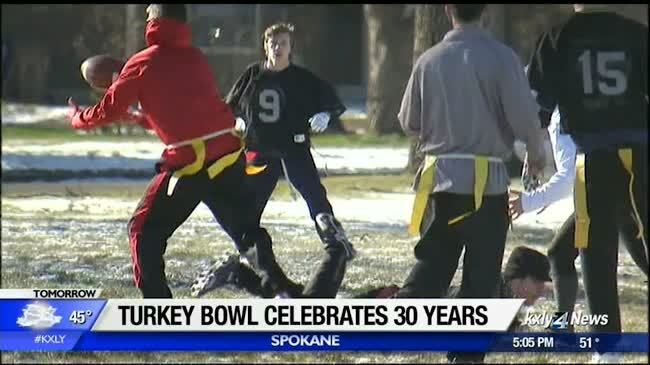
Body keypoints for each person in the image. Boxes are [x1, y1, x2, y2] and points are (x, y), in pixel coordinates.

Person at [67, 4, 293, 298]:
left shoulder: (142, 62)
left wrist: (78, 118)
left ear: (157, 19)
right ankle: (282, 291)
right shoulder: (195, 57)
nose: (146, 16)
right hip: (227, 153)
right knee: (246, 230)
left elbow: (109, 109)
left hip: (192, 164)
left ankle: (159, 311)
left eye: (149, 12)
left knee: (143, 231)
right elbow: (187, 115)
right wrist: (139, 116)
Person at [394, 3, 546, 304]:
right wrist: (535, 151)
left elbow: (408, 121)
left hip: (440, 182)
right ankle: (465, 350)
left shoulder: (428, 60)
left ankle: (402, 318)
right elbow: (523, 117)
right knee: (481, 274)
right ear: (486, 11)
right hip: (486, 186)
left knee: (433, 263)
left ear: (449, 10)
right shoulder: (502, 58)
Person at [191, 22, 356, 299]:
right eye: (273, 43)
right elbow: (230, 105)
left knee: (314, 195)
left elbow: (331, 101)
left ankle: (333, 237)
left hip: (293, 148)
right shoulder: (252, 75)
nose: (277, 48)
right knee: (247, 210)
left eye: (283, 43)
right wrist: (238, 120)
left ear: (291, 48)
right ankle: (250, 254)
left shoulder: (301, 77)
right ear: (264, 45)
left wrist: (326, 115)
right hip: (260, 149)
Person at [527, 4, 648, 362]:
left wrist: (535, 150)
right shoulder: (635, 32)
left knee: (594, 249)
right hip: (641, 154)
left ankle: (607, 347)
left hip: (593, 155)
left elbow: (538, 102)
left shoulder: (559, 37)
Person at [200, 245, 551, 364]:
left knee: (307, 312)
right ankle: (333, 253)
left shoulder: (503, 302)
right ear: (520, 279)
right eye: (538, 284)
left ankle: (241, 275)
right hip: (389, 310)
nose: (539, 292)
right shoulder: (490, 295)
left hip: (392, 308)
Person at [509, 106, 648, 334]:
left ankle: (563, 327)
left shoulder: (561, 116)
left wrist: (528, 202)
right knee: (640, 255)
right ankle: (563, 326)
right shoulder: (571, 103)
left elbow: (570, 177)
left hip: (604, 193)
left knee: (561, 253)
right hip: (620, 186)